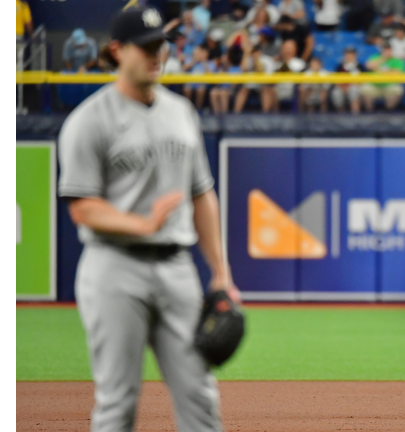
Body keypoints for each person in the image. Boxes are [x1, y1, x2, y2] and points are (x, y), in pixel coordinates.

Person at [58, 7, 239, 432]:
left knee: (200, 397)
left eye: (161, 46)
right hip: (113, 267)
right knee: (118, 402)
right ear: (118, 51)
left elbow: (202, 195)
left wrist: (220, 274)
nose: (156, 55)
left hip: (177, 268)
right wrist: (142, 224)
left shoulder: (180, 112)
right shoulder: (88, 120)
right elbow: (82, 206)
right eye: (146, 47)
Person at [361, 42, 405, 112]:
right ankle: (369, 111)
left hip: (389, 85)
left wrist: (382, 71)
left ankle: (389, 110)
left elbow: (397, 73)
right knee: (365, 89)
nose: (387, 51)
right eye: (385, 50)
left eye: (389, 50)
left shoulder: (397, 60)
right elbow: (369, 65)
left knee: (397, 90)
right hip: (374, 84)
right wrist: (382, 59)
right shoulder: (375, 57)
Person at [235, 44, 278, 113]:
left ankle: (265, 114)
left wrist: (257, 61)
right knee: (243, 89)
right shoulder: (249, 58)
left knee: (266, 90)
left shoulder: (267, 60)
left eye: (256, 51)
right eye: (253, 51)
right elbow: (243, 68)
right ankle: (236, 114)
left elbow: (261, 72)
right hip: (252, 84)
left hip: (265, 83)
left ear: (260, 51)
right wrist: (246, 54)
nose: (254, 53)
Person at [331, 47, 368, 114]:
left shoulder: (360, 66)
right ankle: (340, 114)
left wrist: (351, 86)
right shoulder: (340, 66)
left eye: (351, 54)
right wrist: (342, 87)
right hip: (341, 87)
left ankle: (355, 113)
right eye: (347, 54)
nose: (349, 56)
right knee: (336, 93)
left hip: (355, 86)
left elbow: (363, 80)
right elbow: (335, 80)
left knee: (354, 90)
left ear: (355, 56)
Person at [183, 44, 217, 111]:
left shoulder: (210, 62)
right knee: (187, 89)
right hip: (191, 81)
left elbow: (210, 74)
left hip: (202, 82)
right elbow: (184, 68)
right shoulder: (190, 60)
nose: (199, 55)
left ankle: (198, 108)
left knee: (200, 89)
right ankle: (188, 108)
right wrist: (194, 60)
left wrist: (204, 62)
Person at [16, 0, 33, 71]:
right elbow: (28, 23)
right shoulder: (23, 5)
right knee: (19, 61)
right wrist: (31, 35)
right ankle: (19, 81)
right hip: (18, 36)